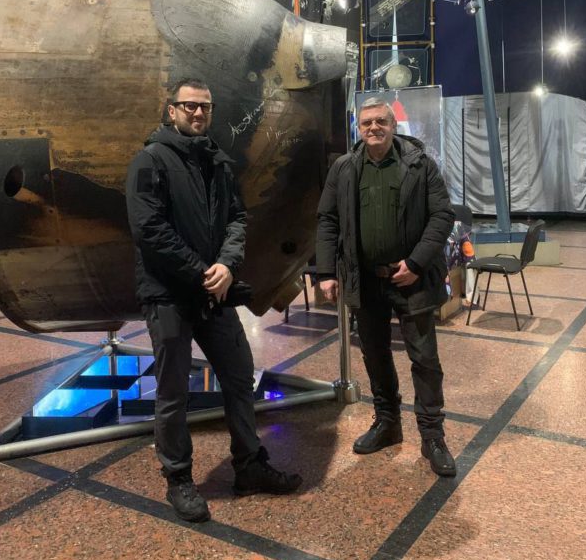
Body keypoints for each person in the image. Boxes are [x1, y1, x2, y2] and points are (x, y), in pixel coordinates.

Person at [126, 79, 302, 522]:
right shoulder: (150, 161)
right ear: (171, 111)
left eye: (205, 106)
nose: (198, 113)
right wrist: (202, 273)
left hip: (213, 292)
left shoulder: (217, 162)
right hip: (169, 295)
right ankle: (179, 478)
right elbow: (149, 230)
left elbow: (237, 219)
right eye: (189, 106)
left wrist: (227, 263)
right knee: (172, 391)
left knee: (239, 377)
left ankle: (249, 465)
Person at [316, 96, 457, 477]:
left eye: (381, 121)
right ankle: (388, 423)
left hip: (412, 280)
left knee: (424, 359)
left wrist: (416, 263)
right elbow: (328, 220)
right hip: (365, 281)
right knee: (375, 355)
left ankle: (432, 436)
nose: (373, 128)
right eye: (366, 123)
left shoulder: (420, 164)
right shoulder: (344, 168)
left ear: (393, 125)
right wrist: (326, 272)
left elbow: (442, 216)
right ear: (358, 128)